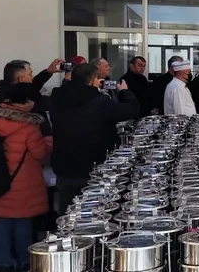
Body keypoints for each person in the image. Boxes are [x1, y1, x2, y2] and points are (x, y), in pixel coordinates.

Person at [50, 63, 139, 214]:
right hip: (93, 167)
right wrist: (125, 91)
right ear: (93, 80)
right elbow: (132, 110)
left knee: (68, 211)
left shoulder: (57, 97)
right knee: (94, 213)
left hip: (64, 166)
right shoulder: (99, 101)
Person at [0, 84, 52, 272]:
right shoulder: (28, 126)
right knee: (23, 222)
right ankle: (23, 261)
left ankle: (3, 265)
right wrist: (49, 140)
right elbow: (39, 153)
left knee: (2, 222)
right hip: (23, 182)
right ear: (25, 103)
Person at [0, 58, 63, 122]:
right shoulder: (24, 93)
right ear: (21, 79)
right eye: (30, 74)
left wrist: (47, 72)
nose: (32, 77)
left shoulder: (0, 90)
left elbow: (32, 86)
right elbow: (50, 102)